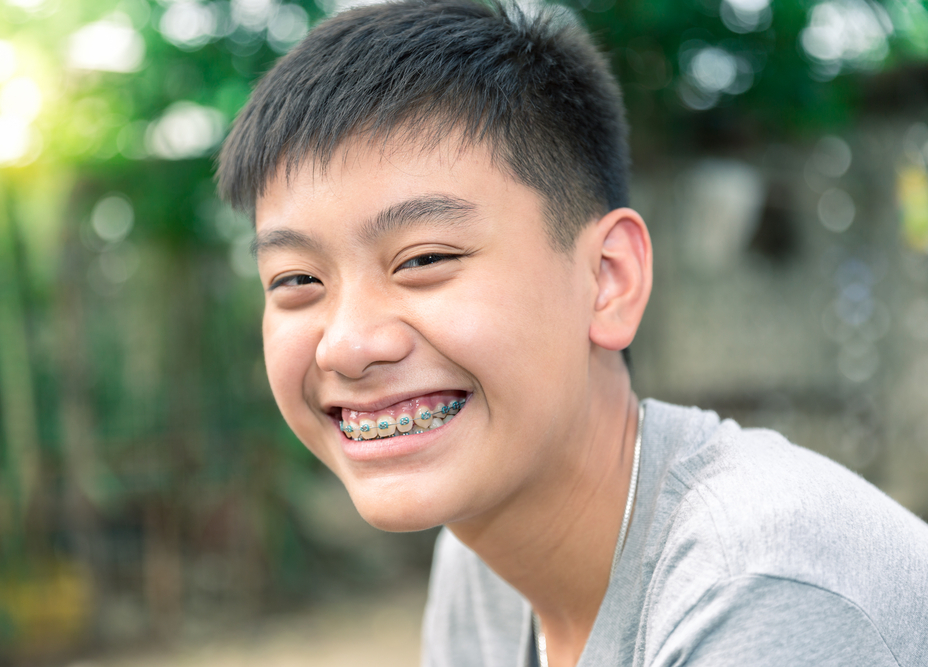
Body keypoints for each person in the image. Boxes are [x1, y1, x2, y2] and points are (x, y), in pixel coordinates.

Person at [216, 1, 928, 665]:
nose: (345, 343)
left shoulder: (763, 591)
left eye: (425, 259)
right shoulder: (484, 554)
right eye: (295, 281)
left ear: (609, 279)